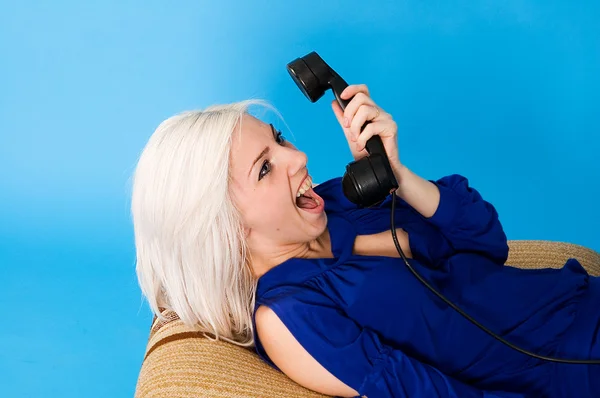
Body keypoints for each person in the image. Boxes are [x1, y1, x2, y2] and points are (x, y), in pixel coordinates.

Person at [131, 84, 599, 398]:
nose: (298, 157)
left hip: (574, 296)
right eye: (265, 168)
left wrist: (395, 175)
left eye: (278, 141)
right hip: (570, 365)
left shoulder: (336, 198)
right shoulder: (289, 315)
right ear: (224, 226)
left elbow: (486, 241)